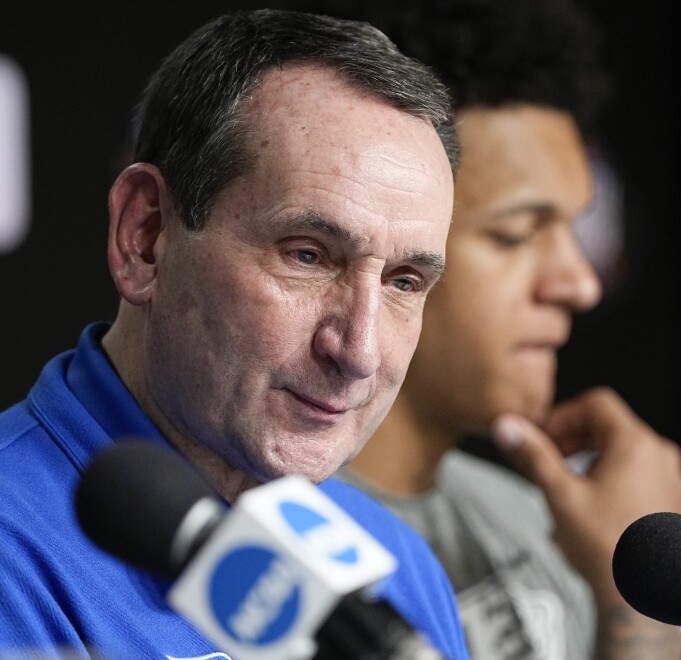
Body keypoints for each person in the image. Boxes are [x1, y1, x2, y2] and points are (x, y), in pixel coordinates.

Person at [0, 9, 470, 659]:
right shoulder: (11, 551)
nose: (359, 352)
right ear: (145, 237)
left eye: (404, 282)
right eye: (307, 255)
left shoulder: (397, 569)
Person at [288, 0, 681, 658]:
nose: (580, 283)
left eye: (575, 230)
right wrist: (637, 606)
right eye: (517, 233)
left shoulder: (550, 522)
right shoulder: (269, 558)